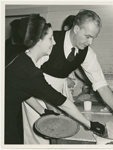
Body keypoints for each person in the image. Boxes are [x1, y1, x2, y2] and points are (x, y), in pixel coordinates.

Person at [5, 13, 105, 144]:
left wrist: (43, 111)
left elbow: (24, 93)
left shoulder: (24, 60)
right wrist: (89, 124)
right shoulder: (30, 71)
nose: (55, 42)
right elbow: (61, 101)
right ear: (38, 41)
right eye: (51, 38)